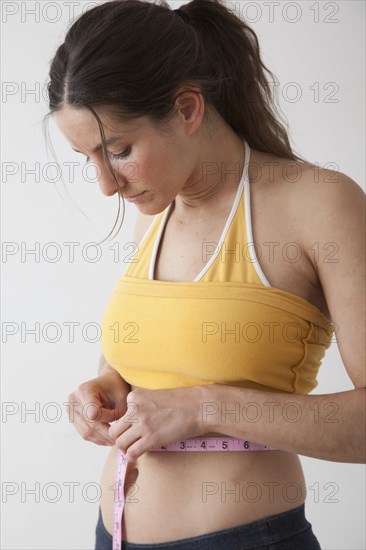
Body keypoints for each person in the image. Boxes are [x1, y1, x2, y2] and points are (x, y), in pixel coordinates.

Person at [45, 1, 365, 549]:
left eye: (118, 151)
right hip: (112, 534)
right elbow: (150, 359)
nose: (105, 185)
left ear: (188, 108)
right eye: (88, 160)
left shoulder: (318, 204)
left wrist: (204, 408)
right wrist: (106, 387)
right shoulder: (155, 209)